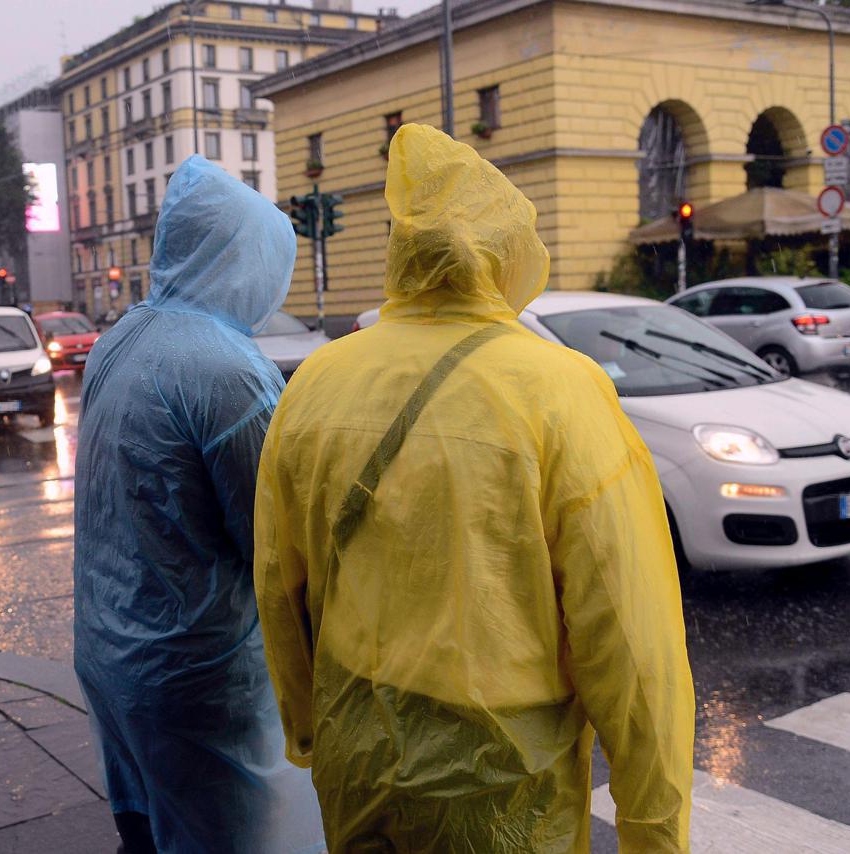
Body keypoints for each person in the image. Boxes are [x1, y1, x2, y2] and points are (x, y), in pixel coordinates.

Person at [255, 124, 694, 853]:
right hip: (501, 781)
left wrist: (309, 727)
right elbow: (627, 630)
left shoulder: (315, 383)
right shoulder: (560, 389)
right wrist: (655, 828)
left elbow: (277, 582)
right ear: (506, 255)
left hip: (355, 750)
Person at [73, 156, 324, 854]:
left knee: (147, 833)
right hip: (199, 679)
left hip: (111, 655)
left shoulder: (119, 339)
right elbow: (276, 546)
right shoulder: (227, 371)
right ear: (244, 261)